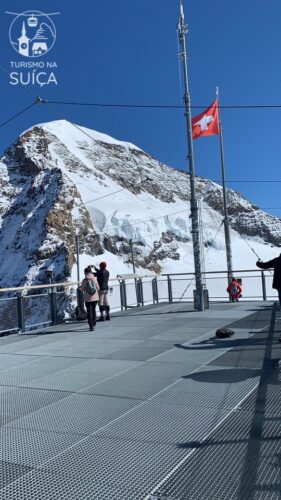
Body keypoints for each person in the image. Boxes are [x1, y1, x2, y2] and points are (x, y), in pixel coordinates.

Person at [80, 266, 99, 331]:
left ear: (85, 273)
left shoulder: (85, 280)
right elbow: (98, 288)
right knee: (93, 310)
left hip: (88, 299)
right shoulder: (95, 279)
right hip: (95, 298)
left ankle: (91, 325)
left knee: (89, 311)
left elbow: (81, 289)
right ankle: (94, 322)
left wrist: (81, 288)